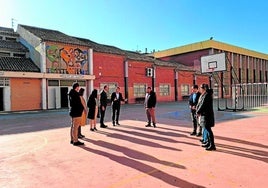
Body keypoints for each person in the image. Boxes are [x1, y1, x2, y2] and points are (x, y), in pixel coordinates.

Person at [196, 83, 216, 151]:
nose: (200, 89)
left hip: (207, 115)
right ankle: (208, 142)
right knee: (207, 130)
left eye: (201, 88)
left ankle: (212, 145)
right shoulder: (206, 95)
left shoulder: (207, 95)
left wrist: (198, 112)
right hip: (205, 115)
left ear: (204, 89)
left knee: (208, 130)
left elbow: (203, 105)